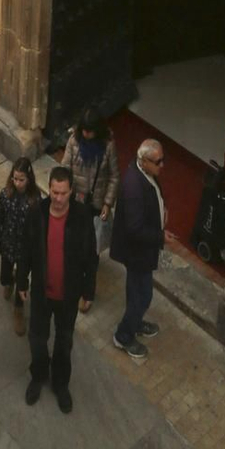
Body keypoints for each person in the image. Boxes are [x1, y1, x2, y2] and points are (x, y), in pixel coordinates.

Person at [22, 162, 96, 413]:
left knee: (64, 343)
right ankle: (39, 376)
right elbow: (27, 250)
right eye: (54, 192)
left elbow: (90, 257)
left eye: (63, 193)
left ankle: (60, 384)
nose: (59, 198)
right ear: (49, 189)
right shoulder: (37, 213)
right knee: (37, 339)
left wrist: (88, 292)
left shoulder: (82, 217)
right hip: (42, 293)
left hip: (68, 295)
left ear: (71, 191)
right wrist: (22, 280)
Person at [110, 138, 166, 360]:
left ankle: (135, 322)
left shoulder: (145, 174)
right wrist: (161, 236)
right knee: (141, 296)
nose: (162, 166)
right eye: (158, 162)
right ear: (144, 161)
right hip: (137, 253)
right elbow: (134, 229)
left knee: (138, 292)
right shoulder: (133, 186)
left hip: (142, 251)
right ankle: (123, 335)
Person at [60, 109, 120, 314]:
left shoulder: (108, 146)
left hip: (95, 206)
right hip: (76, 202)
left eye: (90, 132)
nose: (86, 135)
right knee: (73, 246)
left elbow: (113, 176)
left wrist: (107, 203)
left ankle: (88, 293)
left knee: (92, 253)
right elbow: (65, 167)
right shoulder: (73, 141)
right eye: (84, 131)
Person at [0, 156, 37, 335]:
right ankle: (9, 281)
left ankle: (18, 309)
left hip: (25, 251)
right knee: (4, 277)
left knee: (22, 282)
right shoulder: (5, 195)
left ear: (29, 179)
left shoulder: (35, 200)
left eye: (21, 179)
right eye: (15, 178)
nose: (17, 183)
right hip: (7, 246)